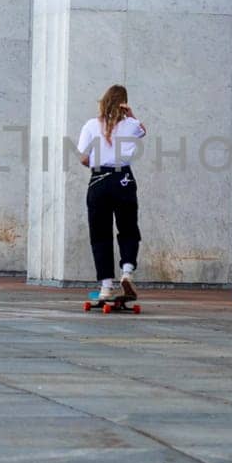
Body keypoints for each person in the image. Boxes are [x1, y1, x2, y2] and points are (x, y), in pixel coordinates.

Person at [77, 84, 146, 304]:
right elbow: (143, 130)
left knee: (100, 234)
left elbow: (83, 157)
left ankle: (106, 286)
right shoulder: (132, 125)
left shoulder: (90, 125)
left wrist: (96, 160)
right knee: (128, 228)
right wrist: (131, 114)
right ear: (123, 104)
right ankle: (127, 271)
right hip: (123, 180)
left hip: (99, 181)